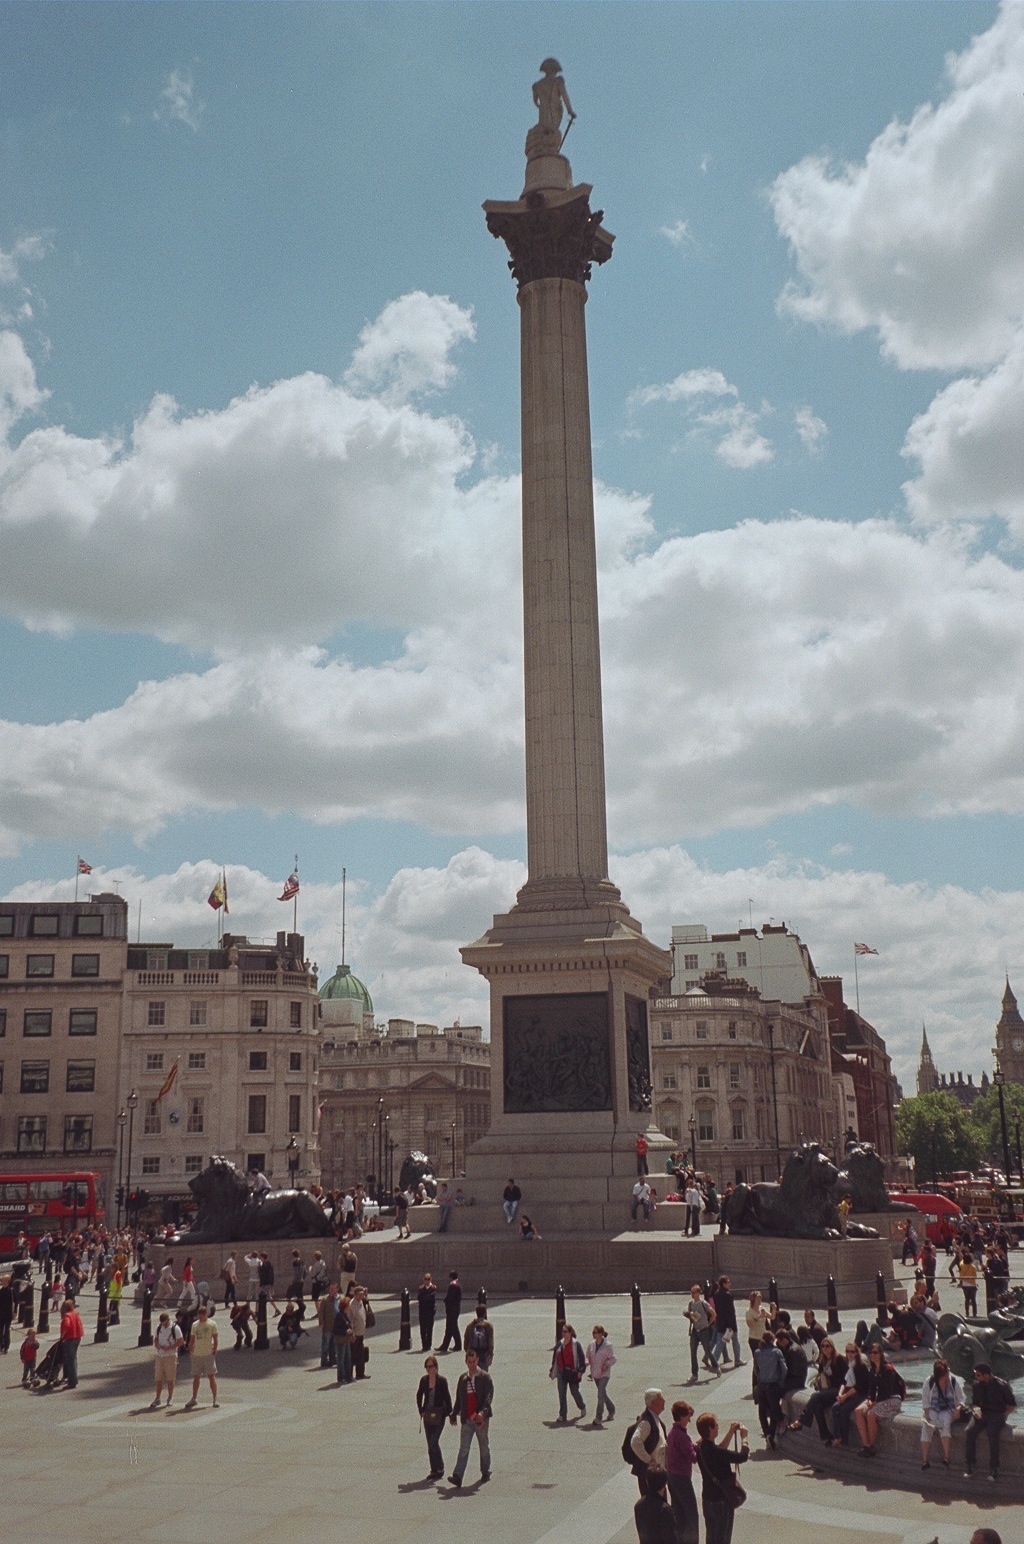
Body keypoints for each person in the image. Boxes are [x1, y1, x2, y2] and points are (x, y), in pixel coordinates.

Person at [695, 1412, 749, 1544]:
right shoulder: (717, 1452)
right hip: (721, 1500)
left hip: (707, 1498)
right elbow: (742, 1457)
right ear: (710, 1429)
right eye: (716, 1425)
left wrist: (731, 1432)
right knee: (722, 1539)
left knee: (711, 1536)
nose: (718, 1427)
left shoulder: (701, 1447)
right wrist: (744, 1439)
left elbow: (720, 1449)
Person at [448, 1347, 493, 1487]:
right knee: (464, 1448)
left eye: (474, 1361)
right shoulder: (463, 1378)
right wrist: (454, 1414)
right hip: (467, 1419)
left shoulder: (485, 1377)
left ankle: (485, 1470)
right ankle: (458, 1475)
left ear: (477, 1360)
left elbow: (488, 1397)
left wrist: (482, 1413)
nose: (471, 1364)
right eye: (469, 1362)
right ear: (466, 1362)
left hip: (480, 1420)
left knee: (483, 1445)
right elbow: (459, 1399)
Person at [964, 1361, 1016, 1481]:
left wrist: (1004, 1415)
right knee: (969, 1431)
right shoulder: (977, 1385)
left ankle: (994, 1468)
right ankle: (970, 1464)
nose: (976, 1377)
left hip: (997, 1414)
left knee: (992, 1435)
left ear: (986, 1375)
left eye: (978, 1375)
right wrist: (975, 1411)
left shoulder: (1002, 1385)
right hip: (982, 1414)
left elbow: (1012, 1404)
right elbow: (975, 1403)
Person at [789, 1336, 845, 1442]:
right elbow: (820, 1374)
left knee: (815, 1396)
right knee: (817, 1407)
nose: (825, 1348)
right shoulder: (822, 1359)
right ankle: (826, 1435)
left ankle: (801, 1420)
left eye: (827, 1346)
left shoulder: (839, 1359)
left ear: (832, 1347)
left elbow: (844, 1379)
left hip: (838, 1389)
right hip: (827, 1389)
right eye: (823, 1346)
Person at [853, 1342, 904, 1456]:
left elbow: (888, 1391)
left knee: (871, 1414)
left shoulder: (888, 1370)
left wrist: (874, 1402)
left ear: (881, 1354)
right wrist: (870, 1399)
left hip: (893, 1399)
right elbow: (871, 1388)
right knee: (858, 1411)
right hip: (880, 1399)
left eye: (875, 1352)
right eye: (870, 1352)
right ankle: (865, 1444)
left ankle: (871, 1446)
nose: (872, 1355)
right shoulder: (872, 1370)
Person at [920, 1357, 965, 1468]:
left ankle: (946, 1457)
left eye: (945, 1376)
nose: (944, 1379)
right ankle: (925, 1460)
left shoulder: (953, 1381)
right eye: (941, 1377)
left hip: (947, 1409)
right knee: (926, 1427)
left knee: (945, 1424)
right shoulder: (929, 1381)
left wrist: (958, 1410)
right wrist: (926, 1412)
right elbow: (925, 1399)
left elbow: (961, 1399)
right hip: (933, 1409)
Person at [665, 1401, 699, 1544]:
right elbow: (693, 1458)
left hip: (671, 1476)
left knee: (678, 1512)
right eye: (688, 1416)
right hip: (682, 1477)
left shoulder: (673, 1432)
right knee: (691, 1514)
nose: (689, 1420)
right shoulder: (681, 1435)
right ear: (681, 1417)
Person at [417, 1354, 453, 1479]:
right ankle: (434, 1470)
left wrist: (449, 1413)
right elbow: (419, 1395)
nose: (428, 1369)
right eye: (426, 1367)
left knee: (434, 1441)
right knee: (430, 1443)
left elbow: (447, 1397)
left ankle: (440, 1466)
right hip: (427, 1415)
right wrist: (421, 1410)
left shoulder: (441, 1380)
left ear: (436, 1366)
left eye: (430, 1366)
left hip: (439, 1415)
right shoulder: (424, 1380)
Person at [627, 1389, 668, 1494]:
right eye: (660, 1398)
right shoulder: (646, 1422)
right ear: (653, 1403)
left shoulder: (654, 1418)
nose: (664, 1400)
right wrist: (649, 1460)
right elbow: (635, 1442)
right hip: (650, 1475)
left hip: (657, 1473)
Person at [829, 1342, 871, 1447]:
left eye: (852, 1351)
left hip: (861, 1395)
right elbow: (844, 1382)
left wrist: (845, 1396)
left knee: (844, 1410)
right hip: (849, 1394)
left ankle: (844, 1439)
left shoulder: (861, 1366)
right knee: (835, 1407)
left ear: (857, 1353)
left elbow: (859, 1387)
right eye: (847, 1351)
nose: (849, 1354)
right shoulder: (848, 1365)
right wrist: (840, 1394)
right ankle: (837, 1436)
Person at [549, 1322, 586, 1423]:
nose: (563, 1334)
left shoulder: (575, 1344)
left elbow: (581, 1358)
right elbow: (555, 1357)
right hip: (562, 1371)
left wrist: (581, 1371)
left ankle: (582, 1406)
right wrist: (552, 1369)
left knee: (574, 1392)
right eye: (562, 1332)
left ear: (570, 1333)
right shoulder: (560, 1344)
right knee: (562, 1393)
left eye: (565, 1332)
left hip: (573, 1372)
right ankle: (562, 1415)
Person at [184, 1304, 219, 1409]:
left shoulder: (212, 1324)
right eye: (199, 1315)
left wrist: (214, 1349)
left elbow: (215, 1338)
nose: (200, 1318)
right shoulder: (195, 1325)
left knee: (211, 1376)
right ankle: (194, 1398)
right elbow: (192, 1339)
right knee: (196, 1377)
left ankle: (215, 1398)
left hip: (208, 1353)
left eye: (202, 1316)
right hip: (197, 1354)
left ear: (206, 1315)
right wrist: (190, 1351)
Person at [684, 1283, 719, 1382]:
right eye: (691, 1292)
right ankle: (694, 1374)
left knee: (707, 1350)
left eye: (694, 1292)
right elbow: (691, 1316)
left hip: (704, 1330)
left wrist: (708, 1323)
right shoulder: (691, 1304)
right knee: (693, 1352)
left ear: (699, 1293)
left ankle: (716, 1366)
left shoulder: (703, 1303)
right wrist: (689, 1314)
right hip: (695, 1330)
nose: (692, 1294)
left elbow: (714, 1314)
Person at [633, 1466, 677, 1544]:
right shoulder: (665, 1510)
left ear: (647, 1481)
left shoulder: (639, 1505)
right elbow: (670, 1538)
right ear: (665, 1483)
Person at [151, 1311, 184, 1406]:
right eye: (161, 1323)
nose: (163, 1324)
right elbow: (156, 1339)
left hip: (171, 1355)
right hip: (159, 1355)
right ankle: (157, 1398)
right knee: (158, 1378)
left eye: (164, 1322)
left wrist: (171, 1347)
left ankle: (170, 1397)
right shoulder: (158, 1328)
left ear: (168, 1320)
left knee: (170, 1377)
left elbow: (181, 1341)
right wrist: (157, 1345)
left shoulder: (175, 1328)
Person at [776, 1328, 809, 1426]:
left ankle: (780, 1417)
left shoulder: (793, 1350)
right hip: (795, 1377)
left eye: (779, 1341)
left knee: (776, 1390)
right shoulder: (789, 1348)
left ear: (784, 1340)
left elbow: (791, 1370)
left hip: (797, 1380)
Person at [585, 1324, 616, 1424]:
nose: (593, 1334)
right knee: (602, 1394)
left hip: (604, 1374)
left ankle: (598, 1417)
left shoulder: (607, 1345)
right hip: (595, 1373)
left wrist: (606, 1365)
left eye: (595, 1332)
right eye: (593, 1332)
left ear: (601, 1334)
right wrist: (586, 1362)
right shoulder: (591, 1345)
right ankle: (611, 1409)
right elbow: (588, 1356)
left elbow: (613, 1359)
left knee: (600, 1395)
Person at [711, 1276, 742, 1367]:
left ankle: (715, 1360)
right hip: (729, 1324)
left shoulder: (716, 1294)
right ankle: (737, 1360)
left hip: (721, 1322)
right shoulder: (728, 1295)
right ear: (724, 1284)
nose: (730, 1284)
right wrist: (731, 1325)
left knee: (720, 1343)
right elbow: (730, 1311)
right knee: (735, 1341)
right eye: (728, 1282)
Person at [59, 1297, 84, 1389]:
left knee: (70, 1359)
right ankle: (73, 1377)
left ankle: (72, 1381)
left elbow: (67, 1326)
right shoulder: (75, 1313)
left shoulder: (67, 1316)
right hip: (77, 1337)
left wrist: (62, 1336)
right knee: (74, 1358)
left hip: (70, 1338)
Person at [349, 1283, 370, 1379]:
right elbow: (350, 1320)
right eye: (360, 1294)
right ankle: (349, 1374)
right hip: (355, 1334)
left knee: (360, 1355)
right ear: (355, 1294)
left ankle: (360, 1373)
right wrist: (352, 1334)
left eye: (363, 1294)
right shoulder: (352, 1304)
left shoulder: (361, 1302)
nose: (362, 1296)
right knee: (352, 1355)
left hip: (361, 1333)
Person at [333, 1294, 354, 1385]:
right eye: (349, 1304)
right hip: (340, 1340)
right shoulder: (339, 1316)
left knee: (348, 1358)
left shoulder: (345, 1315)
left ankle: (348, 1376)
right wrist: (345, 1331)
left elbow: (348, 1325)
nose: (350, 1306)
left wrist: (351, 1334)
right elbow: (335, 1330)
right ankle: (341, 1377)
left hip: (346, 1340)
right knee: (340, 1359)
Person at [440, 1271, 462, 1353]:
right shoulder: (458, 1283)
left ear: (451, 1277)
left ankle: (458, 1345)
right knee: (449, 1327)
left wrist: (445, 1301)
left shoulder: (453, 1285)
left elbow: (450, 1298)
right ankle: (445, 1345)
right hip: (456, 1309)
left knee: (453, 1327)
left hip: (452, 1309)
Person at [317, 1283, 338, 1368]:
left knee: (334, 1344)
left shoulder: (340, 1299)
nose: (332, 1291)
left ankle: (332, 1359)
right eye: (330, 1289)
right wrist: (321, 1323)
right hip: (327, 1326)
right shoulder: (325, 1299)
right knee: (325, 1344)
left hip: (336, 1326)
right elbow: (321, 1312)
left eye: (333, 1289)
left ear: (337, 1289)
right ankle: (324, 1360)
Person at [417, 1272, 437, 1351]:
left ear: (431, 1279)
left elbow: (432, 1298)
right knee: (422, 1329)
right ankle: (424, 1344)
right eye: (425, 1279)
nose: (427, 1281)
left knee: (429, 1329)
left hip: (430, 1311)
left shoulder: (433, 1288)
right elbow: (419, 1298)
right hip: (422, 1311)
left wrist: (425, 1298)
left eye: (428, 1279)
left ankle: (428, 1344)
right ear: (423, 1280)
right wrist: (426, 1298)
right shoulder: (421, 1288)